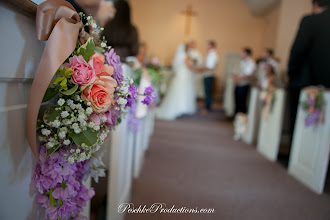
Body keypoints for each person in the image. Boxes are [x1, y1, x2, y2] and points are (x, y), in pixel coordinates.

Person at [288, 0, 330, 144]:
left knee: (300, 124)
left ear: (315, 5)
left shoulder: (311, 21)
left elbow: (298, 51)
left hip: (309, 83)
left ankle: (297, 156)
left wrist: (291, 75)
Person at [156, 43, 197, 120]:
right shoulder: (185, 55)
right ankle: (180, 108)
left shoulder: (181, 55)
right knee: (182, 92)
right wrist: (196, 69)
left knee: (179, 92)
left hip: (181, 75)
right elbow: (188, 65)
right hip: (184, 75)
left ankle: (180, 108)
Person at [196, 41, 219, 114]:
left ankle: (207, 108)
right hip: (207, 75)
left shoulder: (213, 55)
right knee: (207, 92)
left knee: (208, 92)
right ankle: (207, 107)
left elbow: (209, 67)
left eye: (208, 46)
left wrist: (200, 69)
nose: (206, 47)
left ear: (212, 46)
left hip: (209, 75)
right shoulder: (211, 54)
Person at [234, 48, 256, 114]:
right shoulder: (242, 61)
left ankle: (243, 115)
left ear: (247, 54)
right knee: (237, 100)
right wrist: (235, 79)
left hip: (244, 84)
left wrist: (239, 78)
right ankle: (237, 115)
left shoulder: (251, 62)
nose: (242, 54)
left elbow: (248, 74)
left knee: (242, 101)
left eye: (243, 53)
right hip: (238, 83)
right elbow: (236, 71)